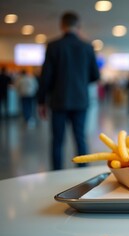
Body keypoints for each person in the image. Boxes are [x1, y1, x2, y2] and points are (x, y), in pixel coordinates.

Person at [38, 11, 100, 170]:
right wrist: (80, 82)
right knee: (80, 138)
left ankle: (56, 173)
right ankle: (83, 173)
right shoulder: (87, 47)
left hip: (58, 100)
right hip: (80, 100)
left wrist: (41, 101)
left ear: (62, 26)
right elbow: (95, 75)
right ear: (78, 26)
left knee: (57, 140)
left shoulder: (53, 47)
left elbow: (46, 77)